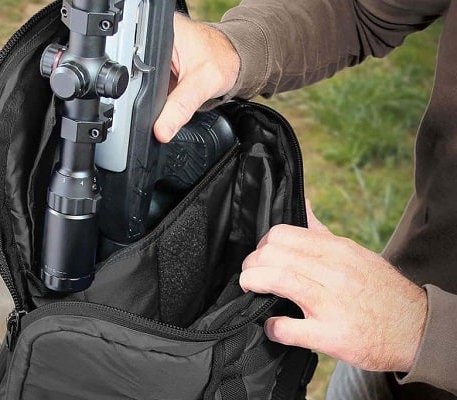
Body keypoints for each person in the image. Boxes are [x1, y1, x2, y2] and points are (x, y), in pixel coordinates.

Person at [153, 1, 457, 399]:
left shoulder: (407, 325)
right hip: (383, 308)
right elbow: (360, 9)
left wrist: (423, 333)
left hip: (399, 327)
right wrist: (233, 47)